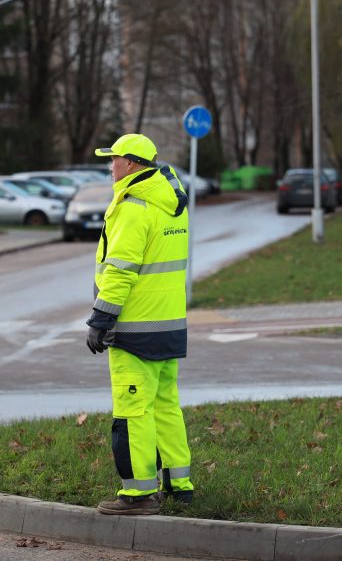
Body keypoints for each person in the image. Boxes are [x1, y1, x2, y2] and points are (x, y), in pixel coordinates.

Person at [85, 133, 195, 516]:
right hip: (168, 326)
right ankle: (179, 486)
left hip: (134, 330)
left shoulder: (134, 207)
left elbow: (120, 270)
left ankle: (137, 495)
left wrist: (101, 319)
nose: (110, 167)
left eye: (114, 160)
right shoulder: (171, 203)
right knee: (166, 407)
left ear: (131, 164)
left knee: (132, 412)